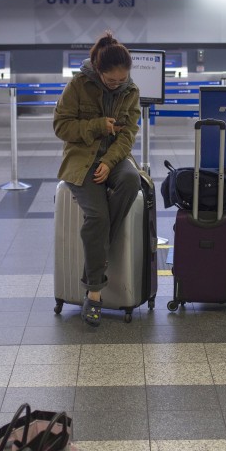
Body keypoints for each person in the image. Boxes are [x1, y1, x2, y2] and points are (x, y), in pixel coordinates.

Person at [53, 31, 142, 327]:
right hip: (81, 160)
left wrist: (108, 161)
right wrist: (96, 126)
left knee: (132, 180)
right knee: (98, 218)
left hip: (113, 159)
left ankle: (98, 249)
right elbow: (61, 126)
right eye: (112, 81)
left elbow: (128, 134)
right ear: (99, 70)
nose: (118, 85)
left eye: (122, 80)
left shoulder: (131, 91)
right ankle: (93, 292)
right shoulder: (78, 86)